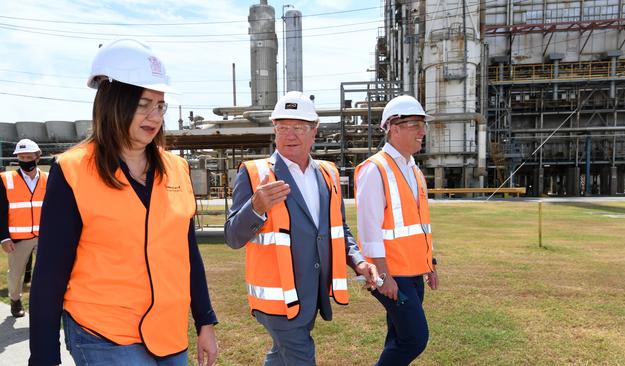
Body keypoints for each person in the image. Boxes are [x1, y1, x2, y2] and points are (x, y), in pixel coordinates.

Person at [28, 39, 218, 366]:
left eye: (160, 106)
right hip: (104, 335)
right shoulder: (73, 171)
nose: (154, 116)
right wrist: (43, 356)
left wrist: (205, 320)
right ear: (113, 102)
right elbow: (49, 273)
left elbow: (187, 253)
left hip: (169, 333)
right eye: (144, 103)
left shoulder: (177, 169)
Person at [224, 91, 378, 366]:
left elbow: (338, 229)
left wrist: (358, 261)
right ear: (274, 131)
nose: (289, 135)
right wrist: (256, 207)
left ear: (314, 131)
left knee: (281, 357)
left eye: (298, 128)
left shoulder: (328, 173)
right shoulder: (253, 173)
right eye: (282, 128)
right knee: (300, 357)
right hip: (277, 300)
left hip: (311, 294)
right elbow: (233, 237)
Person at [354, 95, 439, 366]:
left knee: (399, 338)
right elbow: (369, 230)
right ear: (394, 127)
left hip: (414, 274)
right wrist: (383, 277)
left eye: (423, 125)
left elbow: (420, 225)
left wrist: (430, 264)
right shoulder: (374, 170)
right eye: (415, 124)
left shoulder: (413, 170)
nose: (422, 131)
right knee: (415, 338)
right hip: (391, 275)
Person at [0, 139, 47, 318]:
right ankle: (15, 300)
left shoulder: (48, 179)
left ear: (37, 157)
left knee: (47, 271)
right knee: (16, 274)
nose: (25, 160)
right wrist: (4, 238)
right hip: (17, 239)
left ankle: (43, 302)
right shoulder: (5, 179)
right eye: (21, 157)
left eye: (29, 156)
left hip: (44, 237)